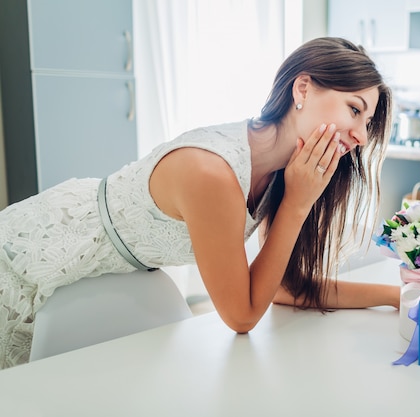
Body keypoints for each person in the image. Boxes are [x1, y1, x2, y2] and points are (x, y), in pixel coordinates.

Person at [0, 37, 399, 369]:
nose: (361, 137)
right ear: (303, 89)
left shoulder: (282, 171)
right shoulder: (212, 171)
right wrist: (297, 204)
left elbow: (283, 288)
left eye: (368, 124)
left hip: (97, 274)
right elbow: (242, 316)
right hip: (36, 250)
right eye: (354, 110)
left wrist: (397, 297)